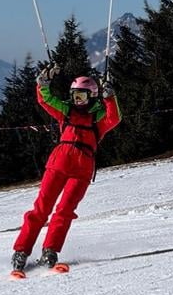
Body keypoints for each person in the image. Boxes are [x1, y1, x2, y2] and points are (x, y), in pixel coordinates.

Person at [10, 65, 121, 275]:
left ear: (92, 96)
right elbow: (46, 100)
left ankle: (50, 249)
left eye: (82, 96)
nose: (77, 100)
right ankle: (21, 250)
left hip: (82, 169)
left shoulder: (97, 118)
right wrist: (43, 84)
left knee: (64, 211)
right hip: (58, 164)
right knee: (41, 209)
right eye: (74, 95)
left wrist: (110, 97)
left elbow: (114, 118)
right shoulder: (66, 111)